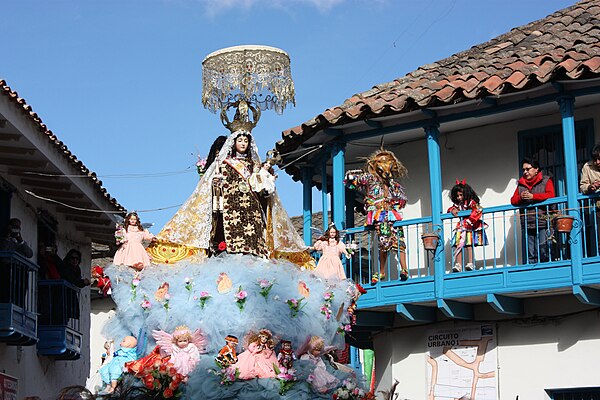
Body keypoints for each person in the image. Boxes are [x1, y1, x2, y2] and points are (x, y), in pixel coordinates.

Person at [156, 128, 313, 268]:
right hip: (231, 207)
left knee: (255, 235)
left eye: (246, 141)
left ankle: (256, 255)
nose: (243, 144)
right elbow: (214, 184)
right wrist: (217, 184)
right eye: (240, 140)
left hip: (253, 208)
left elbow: (260, 186)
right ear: (234, 143)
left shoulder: (254, 165)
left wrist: (266, 183)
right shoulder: (225, 163)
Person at [345, 149, 409, 283]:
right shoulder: (371, 179)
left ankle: (404, 269)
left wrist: (395, 201)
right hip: (381, 216)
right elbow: (351, 181)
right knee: (383, 243)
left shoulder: (393, 184)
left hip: (392, 215)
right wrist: (352, 176)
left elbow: (402, 199)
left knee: (399, 243)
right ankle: (381, 272)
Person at [510, 157, 555, 264]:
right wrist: (521, 197)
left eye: (528, 169)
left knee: (544, 251)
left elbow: (551, 195)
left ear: (536, 169)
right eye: (523, 170)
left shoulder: (546, 180)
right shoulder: (521, 184)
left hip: (543, 221)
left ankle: (546, 271)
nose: (525, 172)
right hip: (528, 222)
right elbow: (513, 200)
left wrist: (533, 196)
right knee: (531, 253)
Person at [448, 180, 487, 272]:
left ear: (466, 194)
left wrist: (470, 220)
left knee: (468, 244)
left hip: (470, 225)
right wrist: (452, 210)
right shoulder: (458, 205)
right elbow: (451, 208)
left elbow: (478, 209)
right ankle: (458, 264)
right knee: (458, 244)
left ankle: (471, 263)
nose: (459, 197)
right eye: (457, 196)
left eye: (461, 195)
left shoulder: (471, 203)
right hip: (461, 226)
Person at [0, 218, 33, 307]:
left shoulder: (20, 243)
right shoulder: (4, 240)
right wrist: (8, 236)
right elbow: (3, 250)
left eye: (18, 227)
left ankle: (20, 306)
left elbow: (30, 254)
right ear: (9, 227)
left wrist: (20, 240)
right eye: (14, 226)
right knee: (9, 292)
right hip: (8, 271)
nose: (16, 229)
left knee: (20, 293)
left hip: (20, 273)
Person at [579, 144, 600, 256]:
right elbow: (582, 186)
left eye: (599, 159)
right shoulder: (587, 167)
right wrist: (590, 187)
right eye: (595, 159)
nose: (597, 162)